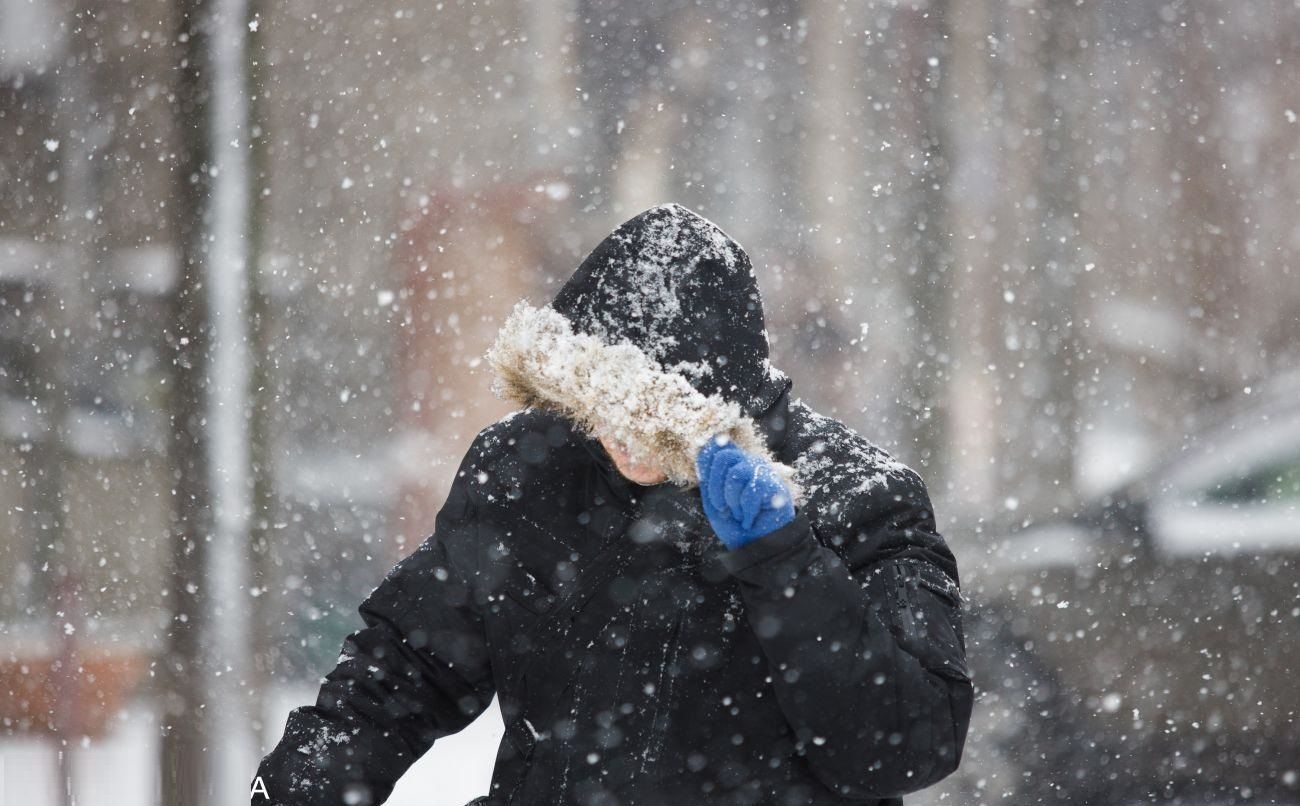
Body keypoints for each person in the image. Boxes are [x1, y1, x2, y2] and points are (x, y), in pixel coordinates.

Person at [251, 203, 972, 806]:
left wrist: (783, 561)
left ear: (715, 402)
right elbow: (404, 669)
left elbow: (905, 747)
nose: (620, 439)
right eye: (597, 404)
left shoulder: (858, 498)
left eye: (652, 419)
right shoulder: (530, 472)